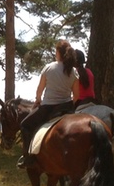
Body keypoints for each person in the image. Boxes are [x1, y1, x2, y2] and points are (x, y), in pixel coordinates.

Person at [17, 40, 79, 169]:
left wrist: (38, 100)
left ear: (58, 53)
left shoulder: (49, 68)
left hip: (48, 107)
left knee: (25, 125)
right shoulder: (73, 71)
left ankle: (28, 158)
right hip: (67, 107)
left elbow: (40, 89)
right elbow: (77, 96)